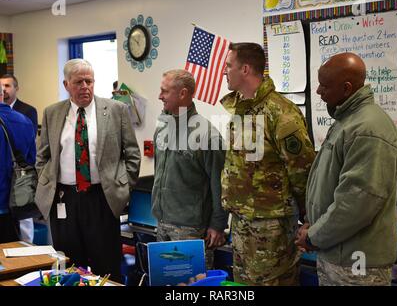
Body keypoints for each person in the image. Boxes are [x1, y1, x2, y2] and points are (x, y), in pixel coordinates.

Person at [295, 52, 397, 286]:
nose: (318, 92)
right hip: (338, 253)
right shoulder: (349, 120)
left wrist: (313, 236)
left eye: (324, 86)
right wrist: (312, 223)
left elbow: (356, 204)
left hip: (356, 264)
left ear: (346, 88)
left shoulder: (367, 129)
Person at [35, 59, 141, 282]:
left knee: (106, 263)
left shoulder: (116, 110)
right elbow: (43, 155)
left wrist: (123, 185)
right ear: (66, 85)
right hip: (64, 198)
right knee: (70, 264)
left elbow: (132, 154)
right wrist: (47, 183)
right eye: (78, 82)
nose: (85, 86)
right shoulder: (52, 113)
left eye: (89, 81)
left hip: (102, 197)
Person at [220, 42, 316, 285]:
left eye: (228, 65)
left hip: (271, 226)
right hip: (241, 221)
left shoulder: (280, 113)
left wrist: (309, 218)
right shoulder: (240, 110)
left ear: (245, 69)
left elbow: (303, 171)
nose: (224, 71)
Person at [152, 69, 228, 269]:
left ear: (183, 93)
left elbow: (219, 185)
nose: (160, 96)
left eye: (165, 91)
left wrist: (218, 225)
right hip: (161, 223)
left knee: (193, 287)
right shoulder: (162, 127)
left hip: (191, 229)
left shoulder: (208, 136)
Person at [1, 74, 38, 243]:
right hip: (20, 198)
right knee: (20, 255)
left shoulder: (27, 112)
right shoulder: (24, 121)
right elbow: (31, 159)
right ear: (2, 95)